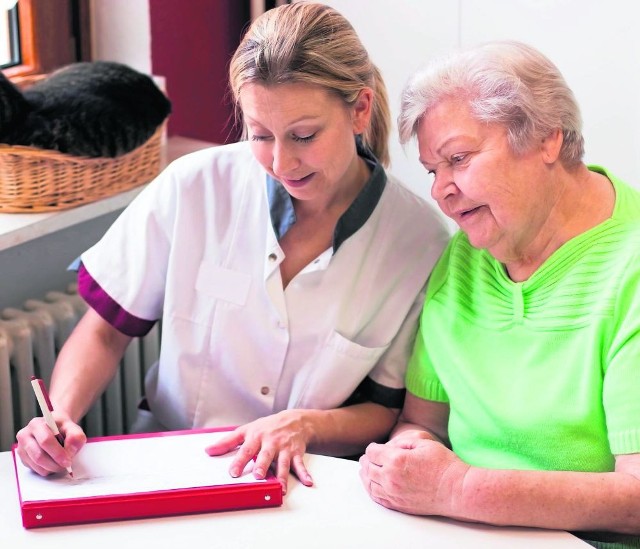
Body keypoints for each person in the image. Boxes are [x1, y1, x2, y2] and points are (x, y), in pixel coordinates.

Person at [15, 2, 449, 494]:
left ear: (360, 110)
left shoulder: (419, 241)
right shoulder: (193, 187)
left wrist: (303, 424)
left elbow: (384, 408)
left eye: (304, 135)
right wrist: (58, 418)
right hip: (171, 458)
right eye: (260, 135)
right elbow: (103, 332)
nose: (282, 162)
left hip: (313, 480)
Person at [358, 40, 640, 548]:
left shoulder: (630, 268)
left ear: (547, 138)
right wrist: (409, 457)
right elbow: (422, 422)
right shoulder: (465, 257)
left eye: (458, 159)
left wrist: (459, 488)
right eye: (431, 170)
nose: (440, 189)